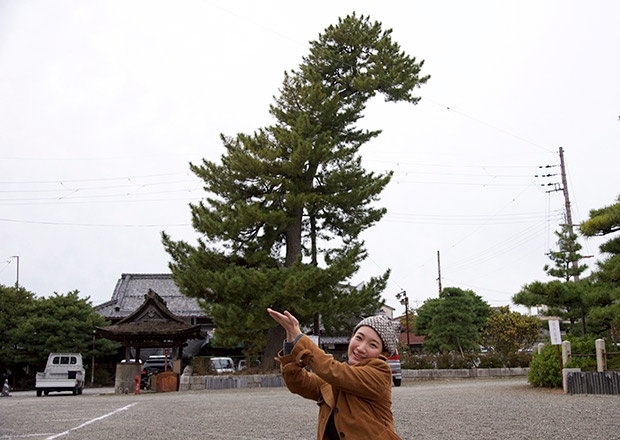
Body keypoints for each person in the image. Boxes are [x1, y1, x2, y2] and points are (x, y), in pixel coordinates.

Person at [267, 308, 402, 440]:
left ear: (383, 354)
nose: (361, 348)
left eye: (372, 345)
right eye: (359, 338)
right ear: (352, 337)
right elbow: (299, 384)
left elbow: (333, 370)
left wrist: (299, 337)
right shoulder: (336, 379)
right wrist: (291, 342)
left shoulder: (380, 372)